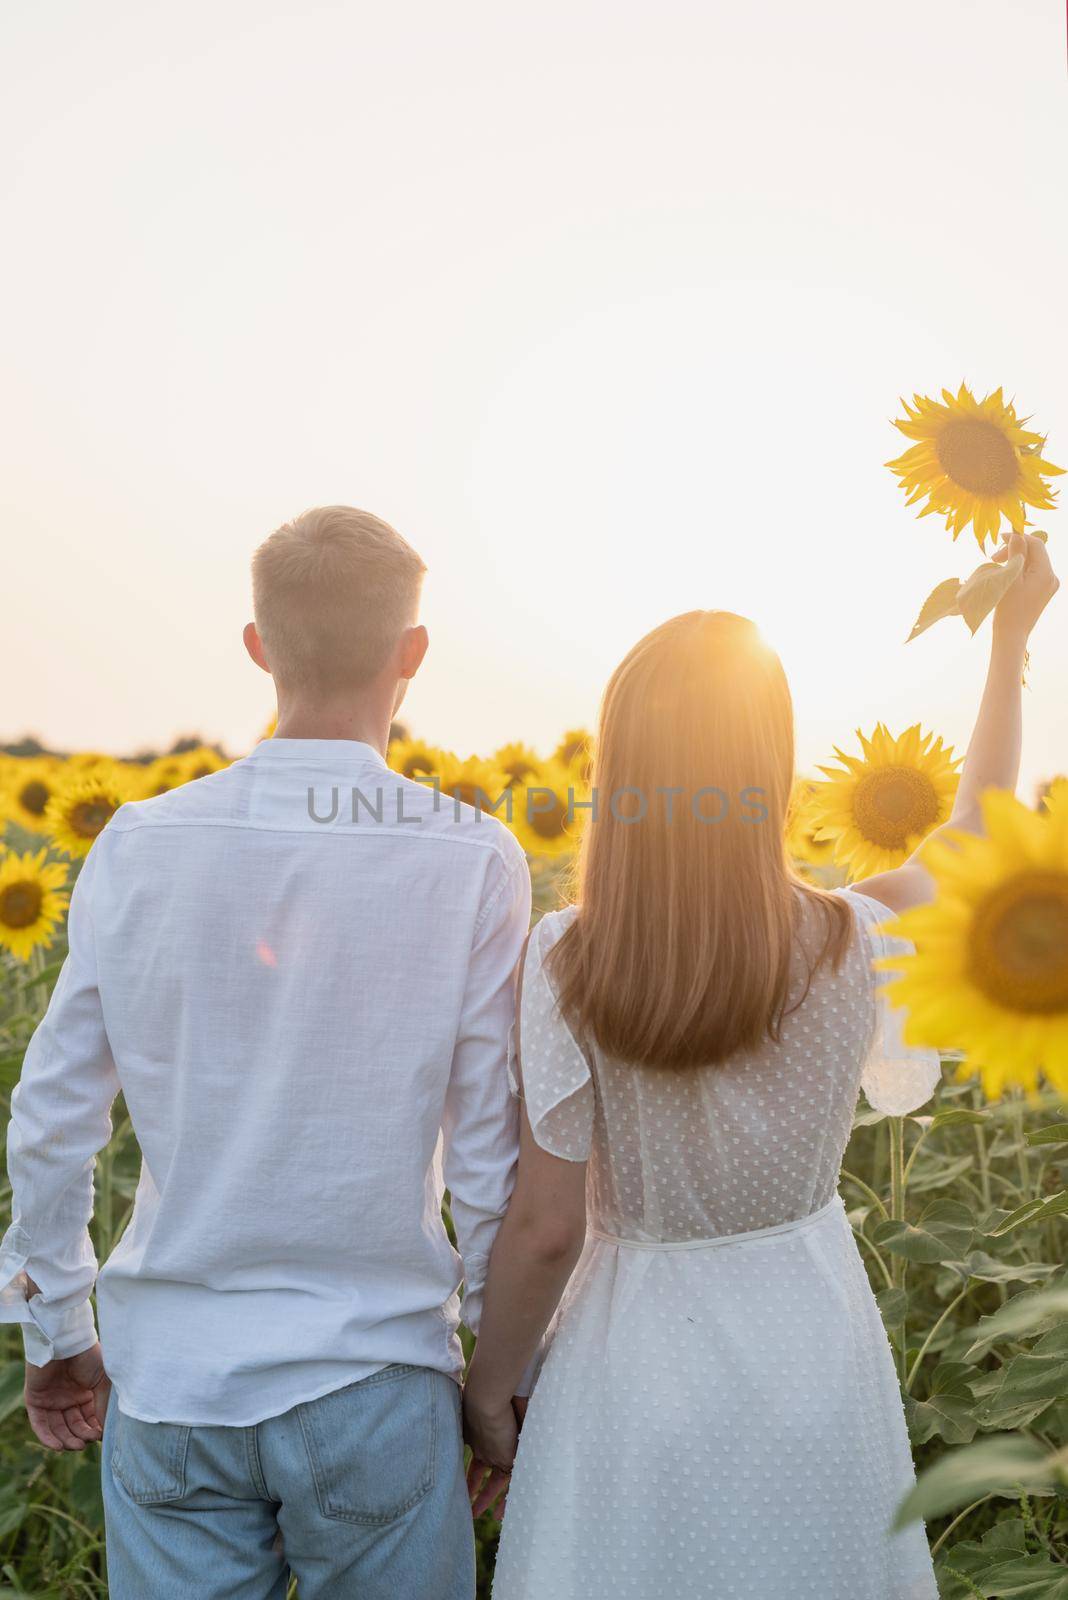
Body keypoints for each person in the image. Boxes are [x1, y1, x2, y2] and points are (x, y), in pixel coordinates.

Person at [463, 532, 1059, 1600]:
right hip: (810, 1335)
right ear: (769, 764)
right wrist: (1009, 642)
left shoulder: (570, 953)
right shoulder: (846, 938)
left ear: (624, 769)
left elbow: (548, 1226)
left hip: (628, 1352)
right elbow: (978, 832)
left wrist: (489, 1392)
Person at [0, 506, 530, 1600]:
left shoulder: (139, 845)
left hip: (173, 1382)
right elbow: (487, 1156)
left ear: (257, 643)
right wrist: (499, 1375)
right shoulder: (471, 857)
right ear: (413, 655)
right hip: (376, 1377)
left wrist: (56, 1322)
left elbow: (51, 1118)